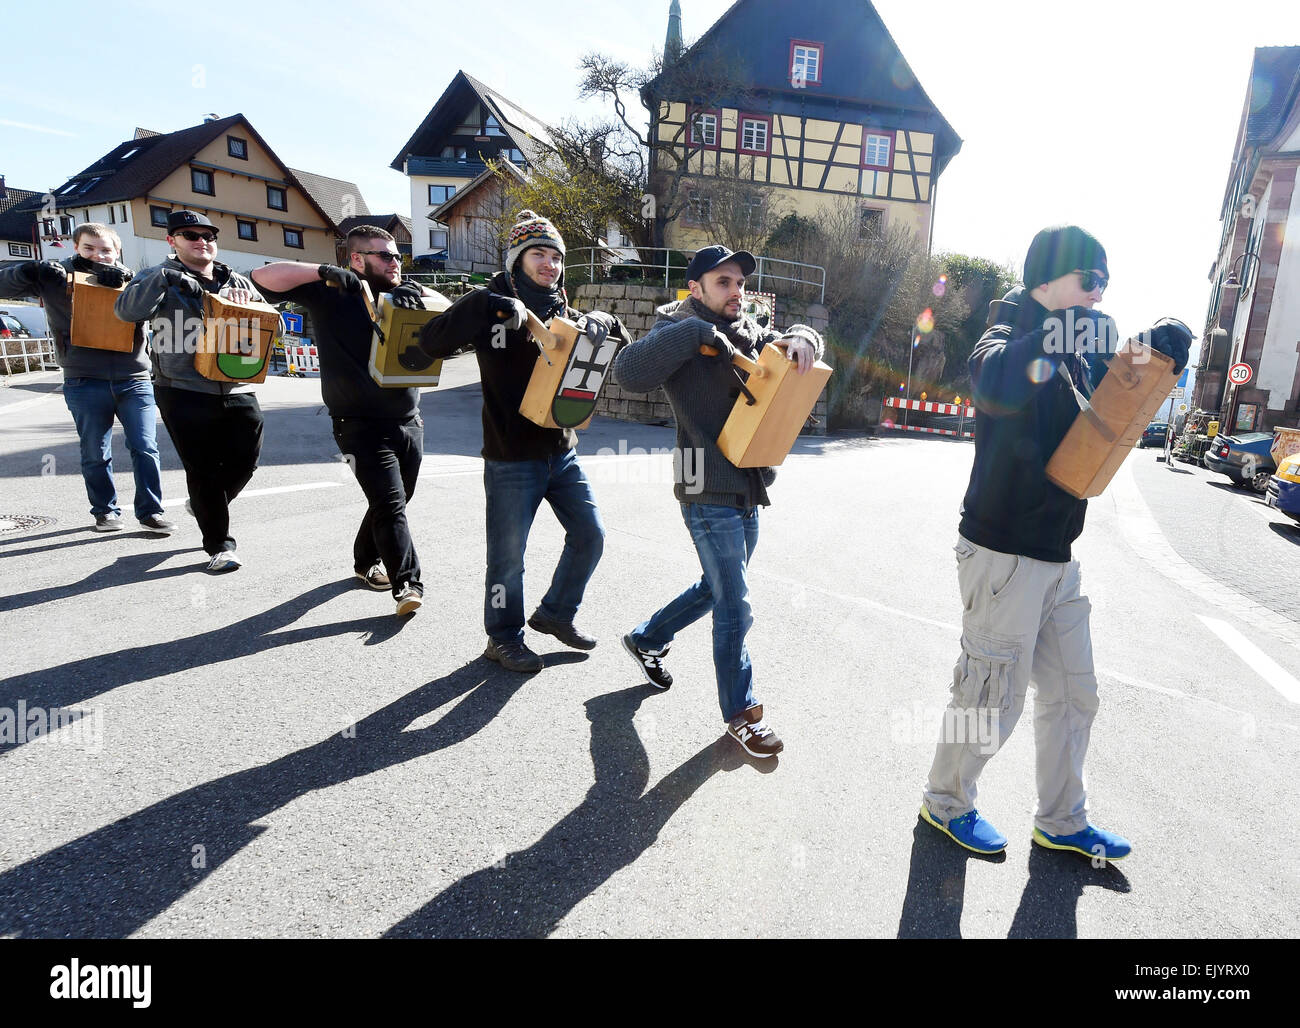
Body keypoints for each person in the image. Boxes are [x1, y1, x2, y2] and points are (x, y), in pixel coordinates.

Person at [919, 225, 1191, 859]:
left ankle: (1062, 822)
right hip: (1002, 552)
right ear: (1045, 280)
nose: (1099, 296)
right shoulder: (1007, 330)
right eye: (1089, 282)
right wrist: (1062, 330)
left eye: (1106, 285)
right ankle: (945, 803)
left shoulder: (1078, 349)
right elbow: (992, 383)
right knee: (988, 693)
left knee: (1074, 691)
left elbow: (1111, 409)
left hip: (1057, 555)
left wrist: (1155, 348)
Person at [612, 244, 824, 758]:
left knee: (718, 586)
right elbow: (627, 372)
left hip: (748, 486)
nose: (735, 291)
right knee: (735, 603)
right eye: (723, 282)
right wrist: (691, 334)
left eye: (739, 283)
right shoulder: (673, 333)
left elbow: (792, 340)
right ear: (696, 288)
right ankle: (741, 713)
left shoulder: (747, 333)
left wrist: (803, 335)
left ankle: (646, 638)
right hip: (703, 485)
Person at [417, 210, 626, 670]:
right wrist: (487, 305)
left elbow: (621, 346)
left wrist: (603, 320)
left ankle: (555, 614)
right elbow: (429, 343)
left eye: (556, 256)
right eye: (539, 254)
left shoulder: (565, 313)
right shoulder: (490, 304)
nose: (549, 264)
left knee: (591, 536)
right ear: (516, 260)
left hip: (562, 454)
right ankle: (503, 636)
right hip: (511, 458)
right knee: (507, 560)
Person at [251, 226, 434, 616]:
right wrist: (322, 271)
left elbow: (452, 312)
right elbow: (262, 277)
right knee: (389, 504)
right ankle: (407, 585)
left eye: (397, 255)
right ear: (356, 258)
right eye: (384, 256)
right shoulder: (330, 291)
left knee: (396, 500)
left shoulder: (403, 293)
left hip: (408, 420)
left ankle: (364, 560)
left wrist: (416, 292)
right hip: (358, 423)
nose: (394, 262)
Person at [115, 211, 266, 573]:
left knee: (247, 460)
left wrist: (255, 307)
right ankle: (220, 546)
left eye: (208, 235)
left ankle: (204, 503)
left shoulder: (236, 281)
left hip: (236, 383)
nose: (201, 241)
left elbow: (265, 318)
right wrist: (164, 280)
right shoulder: (156, 276)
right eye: (189, 235)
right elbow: (126, 312)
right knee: (203, 469)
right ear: (172, 241)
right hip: (181, 387)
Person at [0, 224, 172, 535]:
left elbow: (161, 310)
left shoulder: (134, 280)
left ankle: (151, 512)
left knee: (145, 446)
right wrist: (28, 269)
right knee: (95, 449)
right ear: (76, 248)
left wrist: (126, 284)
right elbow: (3, 285)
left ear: (116, 251)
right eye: (89, 248)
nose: (98, 255)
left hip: (133, 378)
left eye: (105, 249)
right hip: (83, 379)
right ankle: (105, 512)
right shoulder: (55, 277)